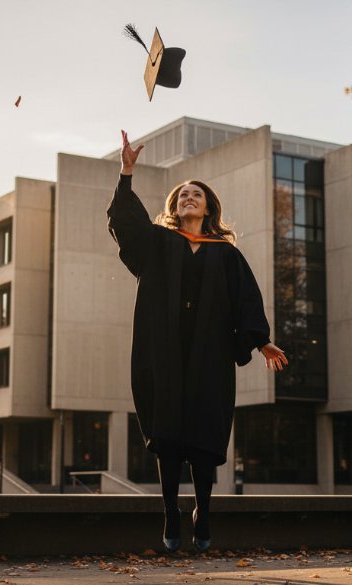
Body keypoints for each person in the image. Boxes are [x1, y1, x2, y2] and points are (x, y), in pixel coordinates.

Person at [107, 130, 288, 552]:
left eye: (196, 194)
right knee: (167, 431)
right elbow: (126, 225)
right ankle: (171, 509)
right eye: (182, 194)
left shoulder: (225, 253)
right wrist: (127, 171)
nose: (188, 197)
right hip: (163, 352)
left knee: (206, 432)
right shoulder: (157, 242)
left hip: (209, 355)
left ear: (208, 208)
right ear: (174, 206)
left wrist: (262, 341)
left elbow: (247, 297)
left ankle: (202, 509)